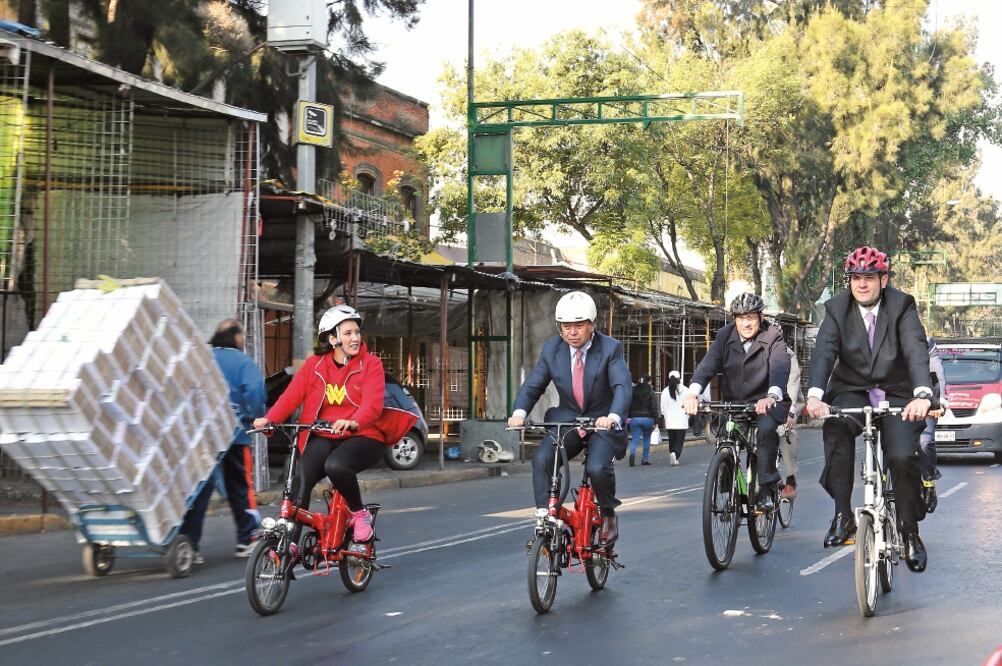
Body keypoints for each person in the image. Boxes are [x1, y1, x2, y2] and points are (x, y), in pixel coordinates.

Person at [806, 246, 933, 573]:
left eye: (869, 278)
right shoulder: (835, 309)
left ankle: (909, 533)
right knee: (836, 426)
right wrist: (815, 396)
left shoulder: (902, 305)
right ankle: (842, 515)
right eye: (856, 278)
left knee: (903, 455)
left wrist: (922, 394)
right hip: (852, 390)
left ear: (884, 279)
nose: (862, 284)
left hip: (899, 393)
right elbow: (824, 352)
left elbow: (915, 348)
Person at [253, 304, 417, 550]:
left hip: (365, 434)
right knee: (299, 478)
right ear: (332, 338)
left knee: (336, 466)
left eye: (356, 332)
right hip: (325, 434)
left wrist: (354, 421)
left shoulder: (370, 364)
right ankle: (289, 544)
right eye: (348, 333)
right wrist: (269, 418)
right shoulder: (314, 366)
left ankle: (360, 514)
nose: (355, 338)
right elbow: (291, 396)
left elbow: (372, 405)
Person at [507, 291, 632, 546]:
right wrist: (519, 413)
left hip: (602, 423)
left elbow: (622, 386)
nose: (572, 332)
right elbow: (533, 386)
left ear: (592, 324)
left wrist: (613, 416)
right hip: (568, 421)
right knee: (542, 459)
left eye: (578, 325)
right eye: (566, 326)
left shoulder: (610, 348)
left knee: (597, 468)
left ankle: (608, 514)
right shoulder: (552, 349)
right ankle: (545, 520)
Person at [682, 293, 791, 512]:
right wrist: (693, 393)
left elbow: (780, 367)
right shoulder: (724, 335)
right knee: (725, 437)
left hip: (765, 403)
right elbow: (708, 365)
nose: (745, 323)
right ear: (734, 319)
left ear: (760, 317)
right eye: (740, 318)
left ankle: (767, 488)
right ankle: (726, 483)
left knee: (766, 432)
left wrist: (771, 396)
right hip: (735, 403)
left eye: (750, 317)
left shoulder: (772, 335)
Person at [180, 319, 267, 561]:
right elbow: (255, 392)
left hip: (203, 436)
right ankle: (247, 537)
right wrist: (256, 415)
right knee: (240, 486)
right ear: (237, 337)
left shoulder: (202, 359)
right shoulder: (243, 362)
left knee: (199, 490)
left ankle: (189, 544)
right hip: (236, 435)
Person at [919, 337, 946, 513]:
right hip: (891, 398)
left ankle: (928, 482)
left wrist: (938, 401)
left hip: (924, 399)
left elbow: (936, 371)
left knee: (924, 442)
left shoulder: (925, 341)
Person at [778, 345, 805, 500]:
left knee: (785, 432)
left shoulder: (786, 353)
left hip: (788, 401)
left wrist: (790, 411)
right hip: (759, 404)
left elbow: (792, 386)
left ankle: (790, 478)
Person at [627, 375, 659, 466]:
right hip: (648, 418)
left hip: (635, 418)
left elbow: (628, 404)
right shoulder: (650, 391)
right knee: (647, 438)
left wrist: (629, 416)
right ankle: (644, 459)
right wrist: (656, 420)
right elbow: (654, 406)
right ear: (648, 381)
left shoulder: (633, 391)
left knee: (635, 438)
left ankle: (632, 453)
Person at [660, 370, 689, 466]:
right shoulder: (685, 390)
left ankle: (672, 452)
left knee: (672, 439)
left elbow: (662, 407)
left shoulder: (665, 391)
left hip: (670, 420)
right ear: (679, 379)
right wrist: (688, 415)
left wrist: (665, 415)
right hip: (681, 420)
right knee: (679, 440)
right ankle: (675, 454)